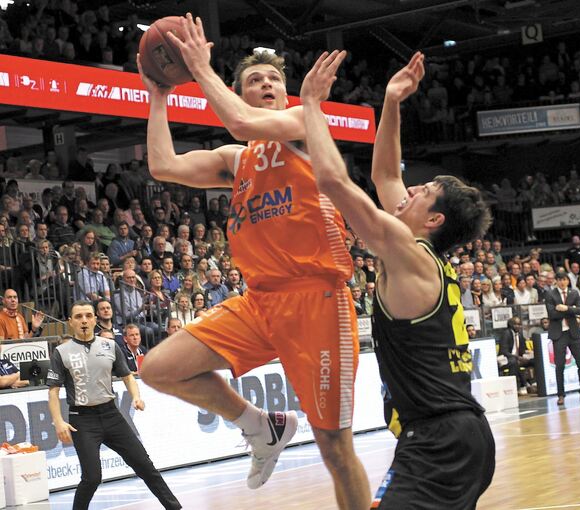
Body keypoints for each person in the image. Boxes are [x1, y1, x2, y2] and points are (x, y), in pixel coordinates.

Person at [138, 14, 368, 508]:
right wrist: (159, 95)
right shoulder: (236, 159)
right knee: (158, 369)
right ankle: (260, 427)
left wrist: (200, 68)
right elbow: (164, 165)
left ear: (285, 94)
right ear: (239, 92)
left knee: (334, 446)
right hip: (259, 302)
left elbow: (241, 122)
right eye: (254, 80)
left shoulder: (304, 124)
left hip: (317, 299)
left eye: (273, 79)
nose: (265, 84)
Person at [299, 49, 495, 508]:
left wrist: (310, 104)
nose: (409, 190)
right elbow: (385, 173)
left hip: (439, 441)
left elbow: (332, 181)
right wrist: (391, 103)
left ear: (435, 219)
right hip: (450, 437)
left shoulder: (408, 254)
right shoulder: (416, 253)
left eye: (423, 192)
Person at [46, 301, 181, 510]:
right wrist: (58, 421)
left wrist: (136, 397)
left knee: (145, 466)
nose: (84, 320)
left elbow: (128, 377)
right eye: (79, 316)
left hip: (111, 415)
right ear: (70, 322)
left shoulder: (109, 346)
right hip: (82, 420)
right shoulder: (61, 352)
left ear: (95, 320)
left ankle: (175, 508)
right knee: (92, 478)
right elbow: (53, 391)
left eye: (88, 316)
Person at [545, 270, 580, 405]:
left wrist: (565, 308)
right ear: (556, 281)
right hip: (559, 334)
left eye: (564, 279)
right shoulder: (550, 294)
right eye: (559, 280)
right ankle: (561, 395)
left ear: (568, 281)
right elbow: (552, 314)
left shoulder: (574, 293)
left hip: (574, 333)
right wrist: (572, 311)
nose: (562, 282)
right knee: (559, 366)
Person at [498, 317, 534, 395]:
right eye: (516, 324)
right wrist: (518, 357)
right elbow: (504, 351)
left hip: (518, 358)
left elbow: (523, 350)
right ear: (510, 325)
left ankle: (534, 384)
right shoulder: (506, 333)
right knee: (514, 362)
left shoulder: (520, 335)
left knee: (535, 360)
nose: (518, 326)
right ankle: (519, 386)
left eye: (519, 324)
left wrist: (528, 353)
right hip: (505, 359)